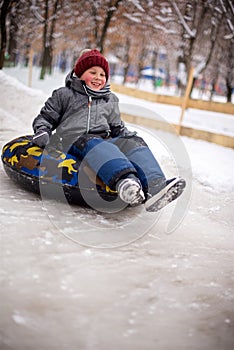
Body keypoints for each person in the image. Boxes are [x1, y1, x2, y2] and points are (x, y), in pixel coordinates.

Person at [32, 49, 186, 211]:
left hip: (102, 140)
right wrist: (42, 131)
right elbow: (46, 117)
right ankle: (126, 182)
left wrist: (129, 140)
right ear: (79, 73)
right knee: (97, 144)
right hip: (74, 140)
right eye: (93, 72)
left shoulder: (110, 99)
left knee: (132, 142)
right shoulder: (65, 95)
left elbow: (116, 127)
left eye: (102, 74)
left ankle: (156, 186)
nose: (98, 78)